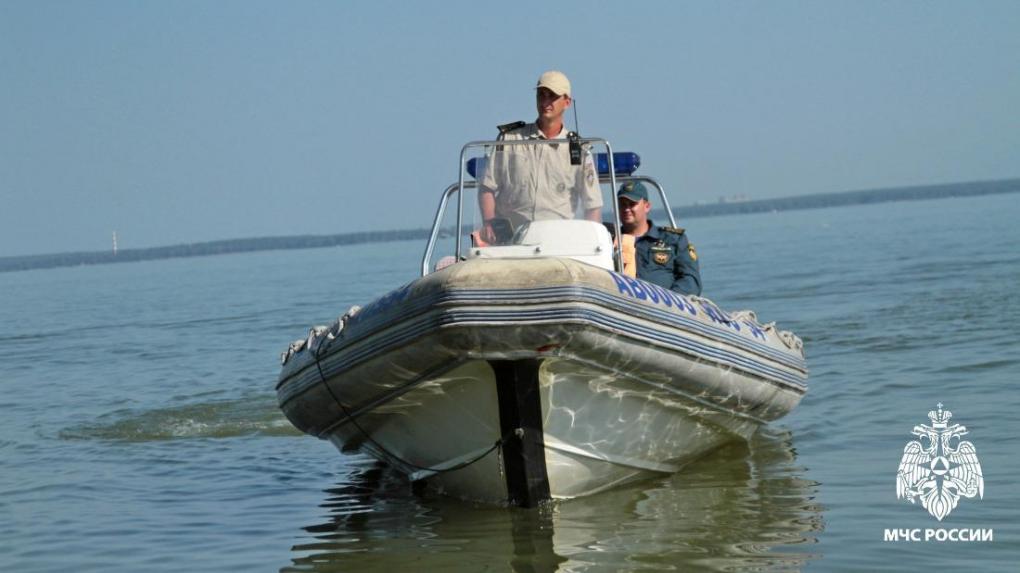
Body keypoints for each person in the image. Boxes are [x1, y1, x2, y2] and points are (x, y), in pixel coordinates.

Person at [477, 70, 603, 244]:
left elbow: (592, 204)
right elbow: (487, 187)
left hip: (558, 242)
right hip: (511, 241)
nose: (545, 102)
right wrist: (489, 224)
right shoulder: (510, 139)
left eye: (552, 96)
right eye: (541, 95)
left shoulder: (578, 150)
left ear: (567, 102)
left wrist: (590, 242)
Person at [617, 181, 702, 295]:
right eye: (623, 204)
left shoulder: (673, 240)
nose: (627, 209)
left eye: (632, 204)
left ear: (647, 206)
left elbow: (691, 280)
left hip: (665, 307)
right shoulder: (608, 241)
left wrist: (669, 301)